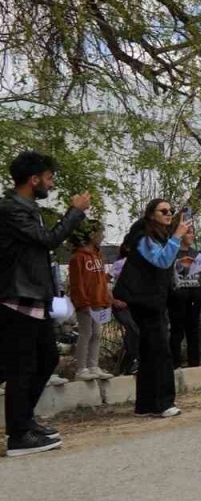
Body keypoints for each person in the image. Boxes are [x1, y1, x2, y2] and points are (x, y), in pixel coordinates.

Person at [0, 151, 89, 456]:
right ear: (34, 179)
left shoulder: (28, 208)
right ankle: (18, 436)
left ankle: (25, 422)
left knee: (47, 359)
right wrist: (74, 212)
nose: (51, 184)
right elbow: (48, 239)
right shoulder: (11, 209)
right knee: (21, 368)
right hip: (16, 300)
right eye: (49, 178)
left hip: (33, 298)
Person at [114, 199, 187, 419]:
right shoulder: (143, 236)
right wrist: (177, 236)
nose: (169, 214)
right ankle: (163, 402)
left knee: (148, 352)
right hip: (145, 301)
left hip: (152, 299)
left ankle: (145, 405)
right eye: (163, 211)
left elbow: (164, 266)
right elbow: (161, 261)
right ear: (151, 214)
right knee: (160, 352)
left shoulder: (157, 235)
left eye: (171, 211)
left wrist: (180, 265)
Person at [68, 219, 113, 382]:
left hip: (98, 301)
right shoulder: (78, 257)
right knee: (85, 334)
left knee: (97, 334)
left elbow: (100, 279)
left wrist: (106, 296)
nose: (103, 236)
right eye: (101, 232)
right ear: (92, 235)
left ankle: (93, 366)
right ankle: (81, 369)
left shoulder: (97, 255)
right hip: (85, 303)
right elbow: (76, 283)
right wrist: (82, 303)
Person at [168, 227, 201, 369]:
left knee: (194, 330)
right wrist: (179, 265)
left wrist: (200, 291)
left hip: (195, 294)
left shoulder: (196, 254)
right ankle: (175, 364)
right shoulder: (172, 253)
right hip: (178, 295)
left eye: (192, 232)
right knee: (177, 330)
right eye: (188, 232)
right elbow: (167, 273)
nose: (192, 235)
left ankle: (194, 363)